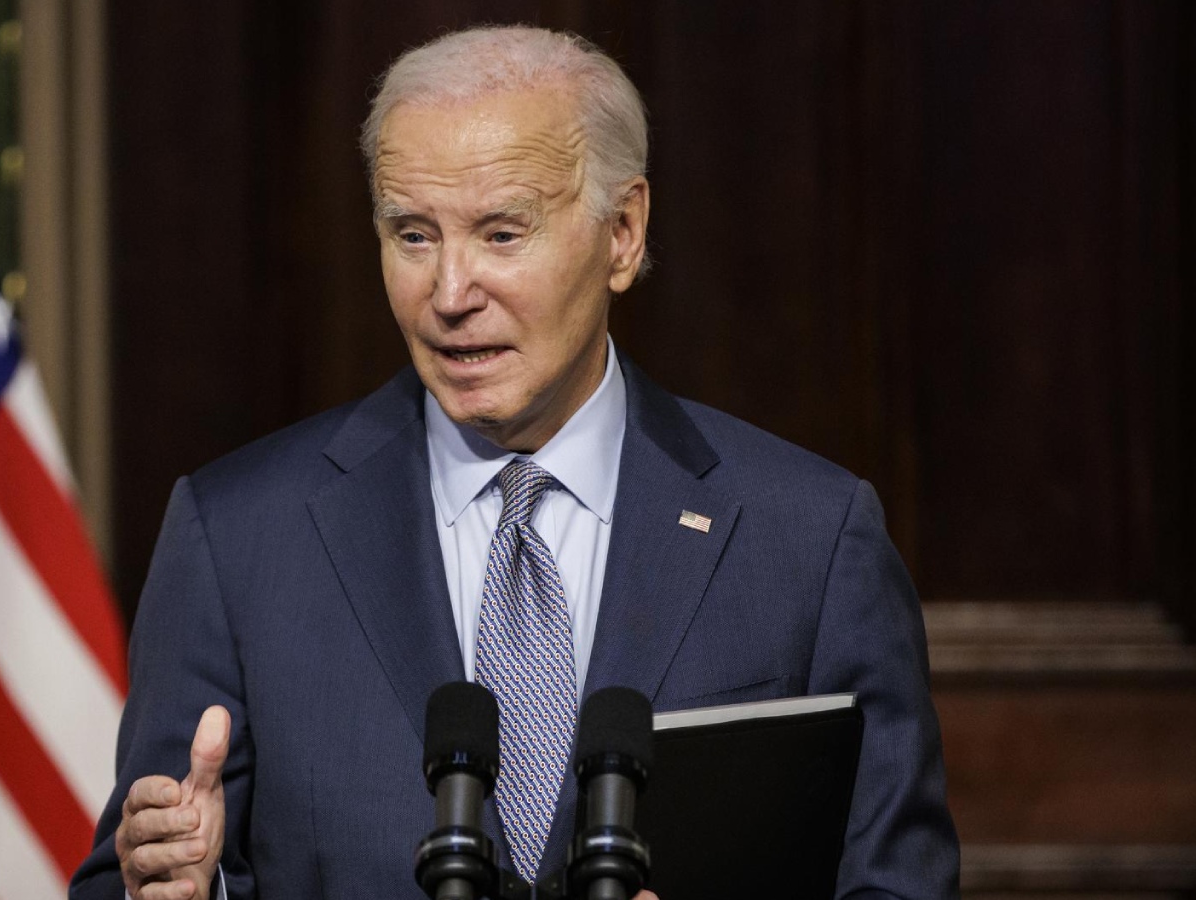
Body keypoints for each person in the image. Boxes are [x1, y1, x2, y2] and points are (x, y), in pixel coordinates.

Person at [71, 25, 959, 900]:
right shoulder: (235, 539)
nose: (450, 294)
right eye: (413, 235)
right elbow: (135, 879)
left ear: (623, 231)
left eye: (501, 234)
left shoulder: (808, 539)